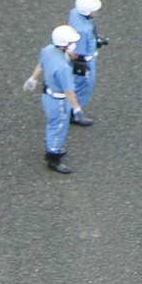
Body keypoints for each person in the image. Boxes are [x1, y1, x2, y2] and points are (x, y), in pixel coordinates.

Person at [22, 25, 90, 173]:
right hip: (59, 102)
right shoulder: (63, 68)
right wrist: (76, 109)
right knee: (58, 128)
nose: (74, 45)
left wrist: (33, 78)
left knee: (52, 125)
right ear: (64, 44)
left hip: (47, 96)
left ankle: (51, 146)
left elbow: (41, 65)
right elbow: (69, 92)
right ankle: (53, 156)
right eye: (71, 42)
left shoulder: (48, 50)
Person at [67, 0, 105, 124]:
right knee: (84, 84)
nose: (96, 12)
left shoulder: (74, 13)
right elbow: (78, 53)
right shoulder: (83, 30)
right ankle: (74, 112)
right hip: (85, 60)